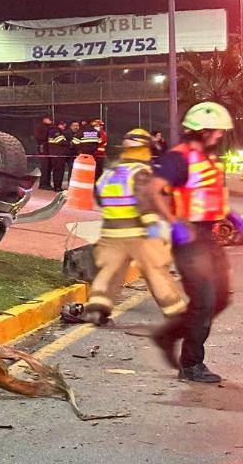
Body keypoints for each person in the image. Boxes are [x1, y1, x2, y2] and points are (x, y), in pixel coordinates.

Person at [150, 102, 242, 384]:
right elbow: (154, 191)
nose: (219, 137)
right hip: (188, 237)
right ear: (200, 131)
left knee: (221, 299)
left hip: (208, 236)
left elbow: (211, 196)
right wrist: (174, 223)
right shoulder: (177, 159)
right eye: (215, 132)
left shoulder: (209, 160)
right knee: (203, 301)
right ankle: (191, 365)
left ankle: (168, 335)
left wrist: (233, 217)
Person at [69, 128, 187, 326]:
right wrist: (156, 232)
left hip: (111, 233)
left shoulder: (112, 172)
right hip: (139, 233)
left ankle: (97, 311)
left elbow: (99, 196)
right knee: (155, 271)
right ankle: (178, 315)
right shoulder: (141, 172)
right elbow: (145, 204)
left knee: (109, 273)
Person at [47, 120, 71, 190]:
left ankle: (58, 186)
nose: (64, 127)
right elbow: (60, 141)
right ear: (59, 124)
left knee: (59, 171)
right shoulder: (54, 131)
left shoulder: (58, 131)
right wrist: (69, 143)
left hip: (59, 155)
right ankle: (57, 187)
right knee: (58, 171)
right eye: (63, 125)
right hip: (57, 155)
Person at [33, 115, 53, 186]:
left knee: (49, 167)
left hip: (49, 148)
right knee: (44, 166)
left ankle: (47, 183)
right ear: (44, 119)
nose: (50, 121)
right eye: (49, 119)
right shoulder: (40, 127)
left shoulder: (50, 127)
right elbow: (38, 137)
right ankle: (43, 184)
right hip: (42, 148)